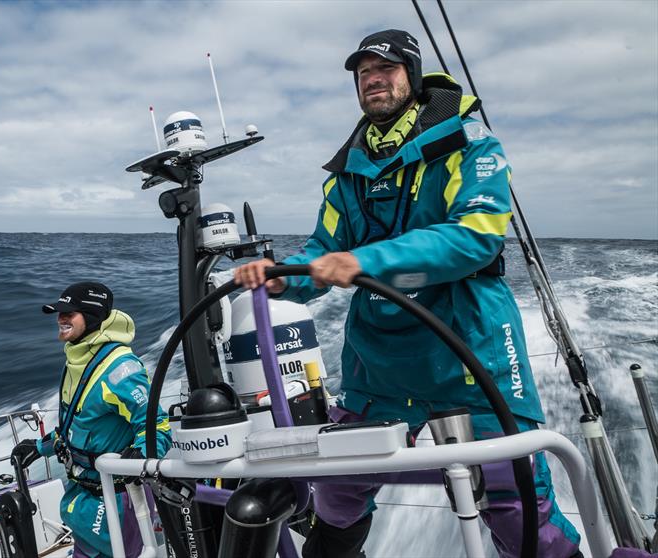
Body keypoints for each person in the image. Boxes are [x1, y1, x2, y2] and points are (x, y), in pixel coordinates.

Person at [234, 29, 582, 558]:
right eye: (363, 73)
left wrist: (363, 261)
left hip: (470, 356)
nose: (373, 79)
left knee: (515, 511)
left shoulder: (469, 145)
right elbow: (325, 249)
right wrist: (285, 275)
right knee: (337, 497)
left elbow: (476, 236)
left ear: (413, 78)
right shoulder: (344, 177)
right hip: (378, 366)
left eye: (386, 69)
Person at [11, 281, 171, 558]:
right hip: (84, 496)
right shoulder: (79, 358)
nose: (61, 319)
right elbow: (81, 426)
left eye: (69, 313)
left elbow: (156, 425)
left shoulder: (120, 370)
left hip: (117, 499)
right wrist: (39, 448)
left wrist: (141, 454)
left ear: (93, 316)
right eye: (59, 312)